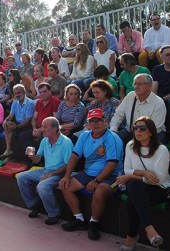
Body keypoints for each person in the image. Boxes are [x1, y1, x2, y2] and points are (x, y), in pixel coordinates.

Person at [59, 108, 124, 240]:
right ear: (88, 123)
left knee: (99, 191)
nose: (95, 124)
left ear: (105, 121)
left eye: (98, 120)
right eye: (92, 121)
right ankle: (79, 219)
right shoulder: (85, 135)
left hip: (113, 176)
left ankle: (93, 223)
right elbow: (74, 156)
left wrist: (97, 180)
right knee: (65, 185)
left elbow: (112, 165)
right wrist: (66, 176)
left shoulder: (112, 138)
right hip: (88, 173)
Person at [116, 116, 169, 250]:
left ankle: (131, 237)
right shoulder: (130, 146)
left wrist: (130, 176)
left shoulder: (161, 150)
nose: (138, 131)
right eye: (135, 128)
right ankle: (149, 229)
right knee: (135, 186)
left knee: (133, 198)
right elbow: (127, 169)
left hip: (159, 189)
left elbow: (160, 179)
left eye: (142, 128)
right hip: (139, 187)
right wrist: (143, 173)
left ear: (150, 131)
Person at [17, 117, 74, 225]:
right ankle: (34, 204)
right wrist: (32, 156)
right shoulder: (44, 140)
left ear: (54, 129)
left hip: (60, 173)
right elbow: (38, 159)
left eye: (45, 127)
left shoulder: (66, 143)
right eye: (42, 126)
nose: (42, 129)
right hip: (46, 170)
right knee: (21, 177)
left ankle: (54, 213)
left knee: (42, 186)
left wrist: (52, 174)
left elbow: (69, 165)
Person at [110, 73, 167, 145]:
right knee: (113, 141)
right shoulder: (130, 96)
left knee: (146, 145)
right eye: (135, 84)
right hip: (130, 132)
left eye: (140, 84)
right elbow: (118, 114)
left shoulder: (158, 102)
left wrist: (139, 137)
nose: (136, 87)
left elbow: (156, 128)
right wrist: (113, 131)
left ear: (150, 85)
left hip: (152, 134)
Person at [16, 83, 61, 159]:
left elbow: (55, 120)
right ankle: (33, 157)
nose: (42, 94)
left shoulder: (55, 101)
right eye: (40, 92)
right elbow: (34, 118)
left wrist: (41, 130)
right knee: (22, 136)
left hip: (49, 129)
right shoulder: (39, 102)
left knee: (42, 138)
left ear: (50, 91)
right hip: (38, 128)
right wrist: (34, 129)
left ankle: (41, 160)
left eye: (45, 91)